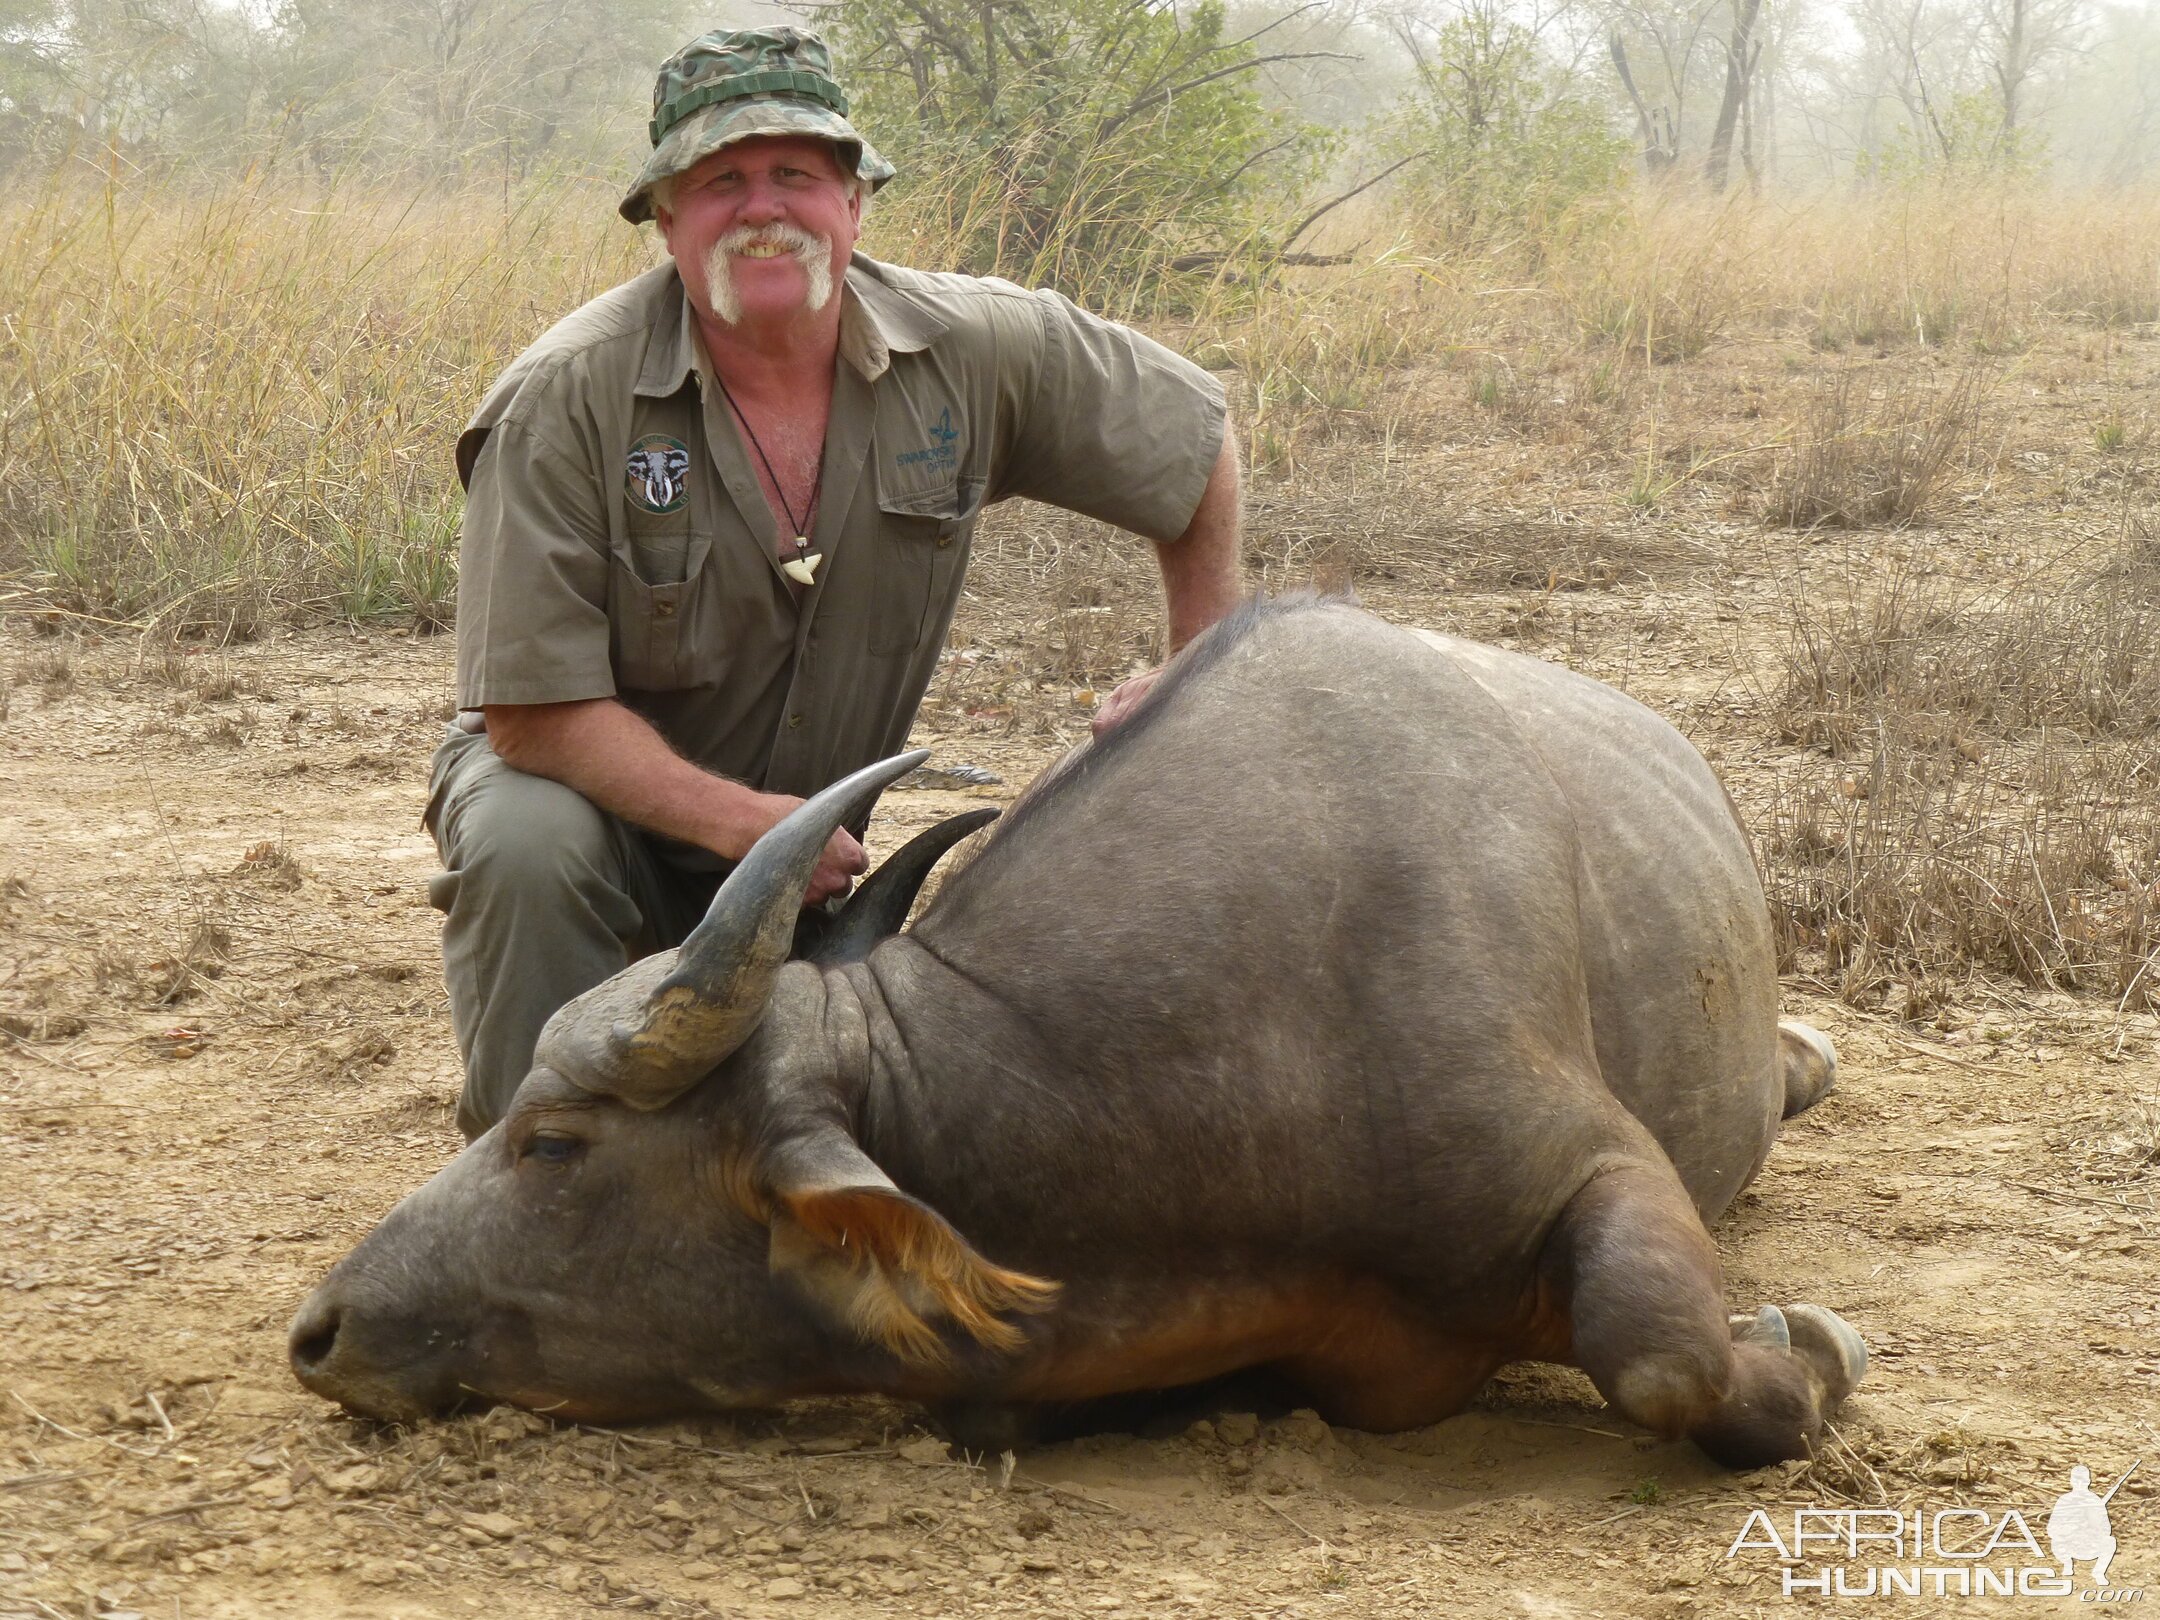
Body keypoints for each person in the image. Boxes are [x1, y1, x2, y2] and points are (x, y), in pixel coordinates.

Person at [426, 26, 1242, 1139]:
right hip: (610, 818)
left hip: (808, 857)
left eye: (796, 175)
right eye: (719, 182)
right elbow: (529, 715)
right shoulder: (565, 397)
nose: (762, 208)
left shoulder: (975, 346)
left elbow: (1192, 443)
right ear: (664, 219)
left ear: (854, 203)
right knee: (526, 840)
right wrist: (748, 827)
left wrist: (1197, 673)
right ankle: (531, 1176)